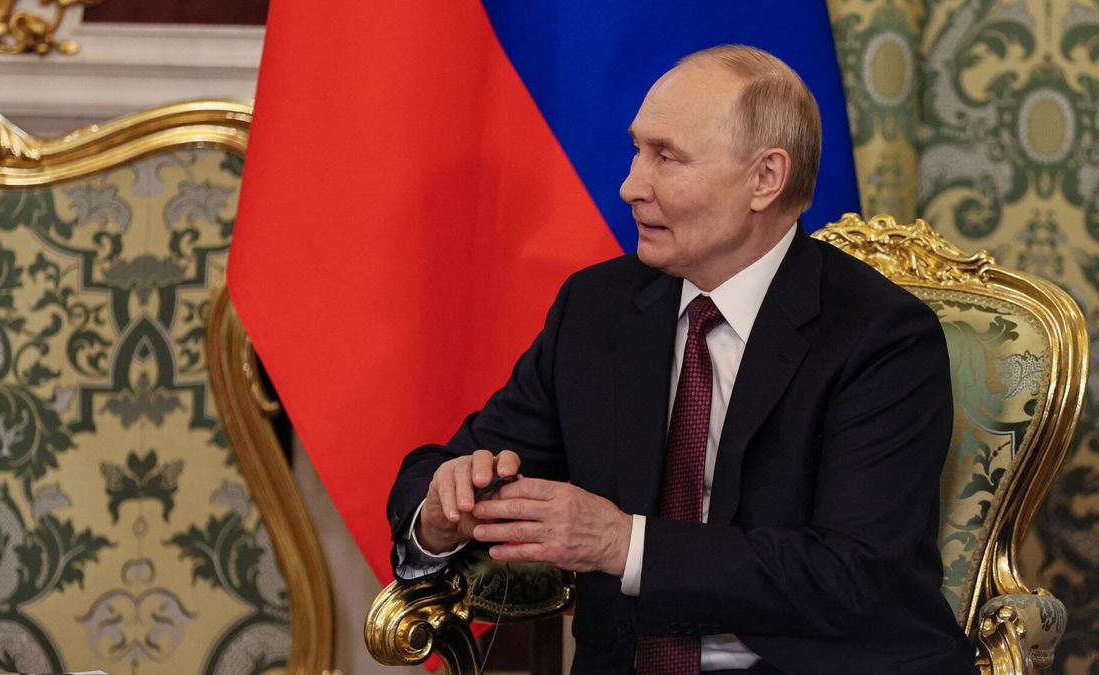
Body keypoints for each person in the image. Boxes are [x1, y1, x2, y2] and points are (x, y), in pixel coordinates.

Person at [387, 44, 975, 674]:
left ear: (765, 179)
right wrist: (443, 511)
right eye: (638, 150)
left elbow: (852, 576)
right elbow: (453, 462)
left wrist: (623, 542)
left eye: (667, 158)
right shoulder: (598, 307)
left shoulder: (881, 336)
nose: (630, 186)